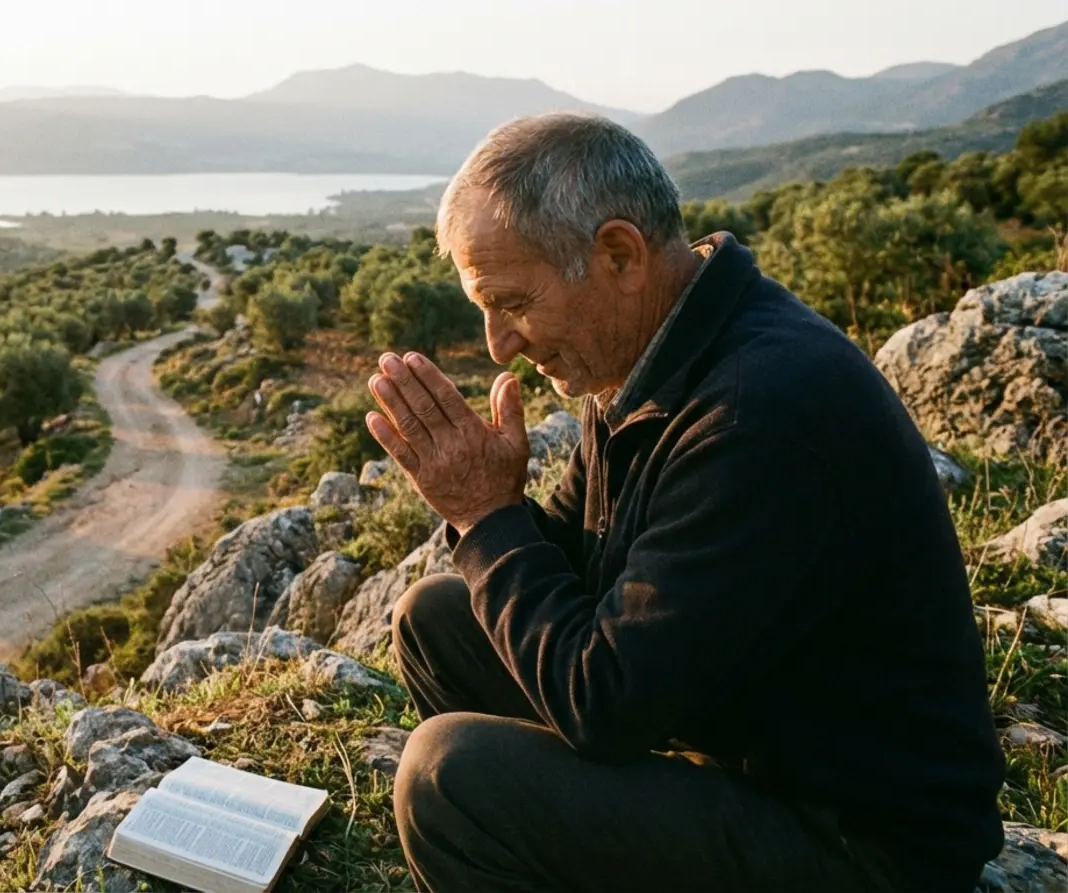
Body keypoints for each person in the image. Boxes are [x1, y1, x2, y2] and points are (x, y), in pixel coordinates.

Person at [364, 113, 1004, 893]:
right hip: (739, 734)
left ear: (619, 256)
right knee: (436, 618)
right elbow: (573, 560)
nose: (500, 344)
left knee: (447, 776)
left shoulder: (757, 412)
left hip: (859, 840)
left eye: (513, 302)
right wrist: (488, 508)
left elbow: (605, 701)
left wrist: (486, 517)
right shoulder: (647, 356)